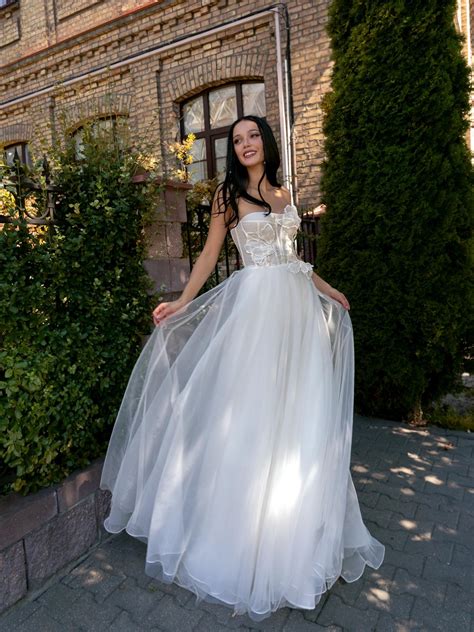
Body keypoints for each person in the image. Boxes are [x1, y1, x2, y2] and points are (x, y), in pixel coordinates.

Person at [100, 115, 385, 622]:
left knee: (300, 421)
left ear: (266, 143)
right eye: (237, 140)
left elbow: (295, 260)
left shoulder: (284, 192)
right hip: (256, 315)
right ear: (232, 151)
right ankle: (242, 540)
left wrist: (330, 290)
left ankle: (301, 539)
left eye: (253, 136)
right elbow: (210, 255)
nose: (246, 144)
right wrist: (182, 303)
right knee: (252, 420)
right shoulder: (226, 198)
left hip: (296, 317)